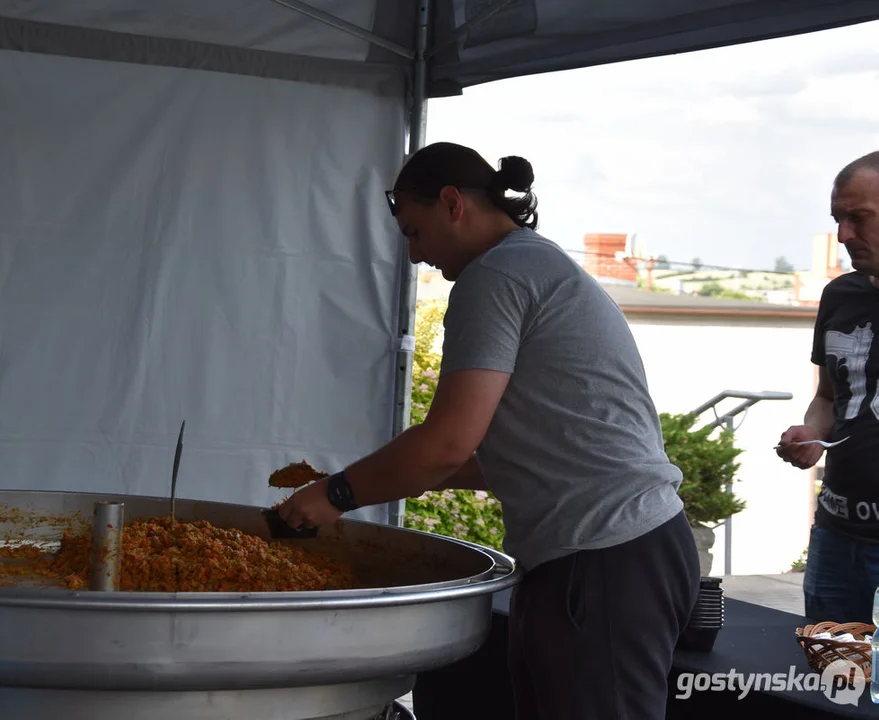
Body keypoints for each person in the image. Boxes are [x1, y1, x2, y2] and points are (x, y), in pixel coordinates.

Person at [278, 141, 700, 719]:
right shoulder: (533, 262)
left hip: (602, 556)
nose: (414, 254)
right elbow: (505, 451)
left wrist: (335, 496)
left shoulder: (496, 274)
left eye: (414, 231)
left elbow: (447, 442)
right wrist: (396, 479)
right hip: (621, 552)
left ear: (452, 203)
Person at [777, 150, 879, 624]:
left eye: (858, 218)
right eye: (839, 219)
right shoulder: (840, 294)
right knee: (833, 683)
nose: (844, 236)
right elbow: (828, 396)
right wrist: (810, 433)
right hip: (836, 538)